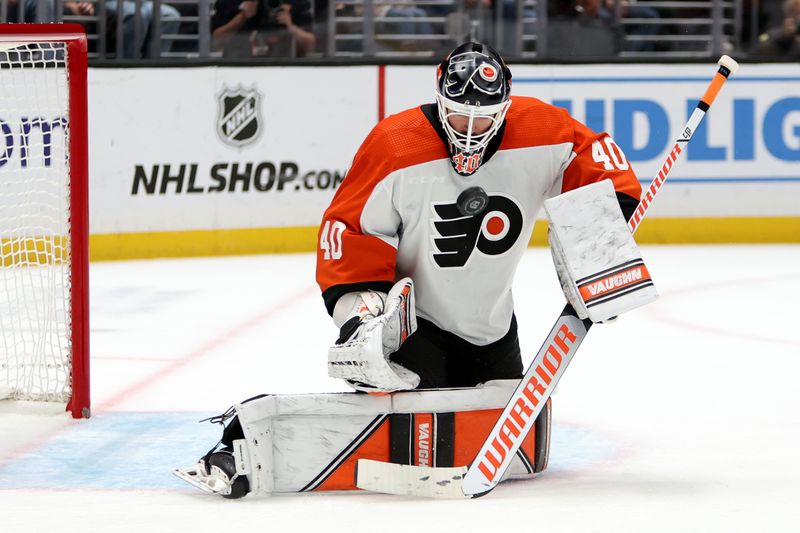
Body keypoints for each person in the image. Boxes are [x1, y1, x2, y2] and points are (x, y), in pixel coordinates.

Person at [317, 41, 642, 393]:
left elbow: (601, 166)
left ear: (505, 108)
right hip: (413, 331)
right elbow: (350, 231)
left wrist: (602, 255)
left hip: (494, 330)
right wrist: (359, 319)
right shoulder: (395, 145)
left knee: (503, 443)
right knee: (420, 445)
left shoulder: (543, 132)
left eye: (484, 117)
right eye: (459, 114)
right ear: (440, 101)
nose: (470, 130)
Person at [211, 0, 316, 58]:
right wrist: (242, 17)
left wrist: (291, 27)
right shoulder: (230, 3)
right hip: (238, 69)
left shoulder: (294, 3)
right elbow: (217, 41)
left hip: (284, 71)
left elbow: (310, 44)